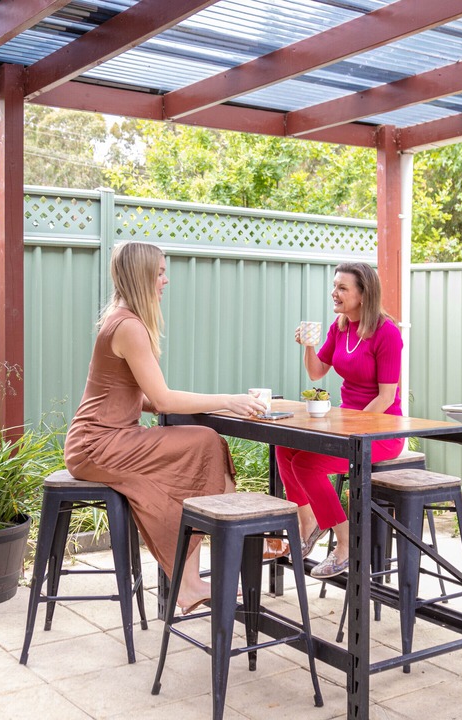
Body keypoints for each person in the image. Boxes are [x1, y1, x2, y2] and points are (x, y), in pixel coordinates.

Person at [64, 241, 266, 614]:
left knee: (201, 448)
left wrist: (175, 399)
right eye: (159, 272)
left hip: (103, 439)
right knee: (205, 443)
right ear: (142, 275)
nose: (165, 280)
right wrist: (227, 399)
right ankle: (191, 580)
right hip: (99, 443)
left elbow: (139, 397)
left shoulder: (120, 319)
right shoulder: (129, 326)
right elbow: (165, 401)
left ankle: (190, 579)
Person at [276, 262, 405, 578]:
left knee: (306, 464)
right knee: (284, 447)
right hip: (347, 424)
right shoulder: (341, 327)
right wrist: (308, 346)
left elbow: (386, 398)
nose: (334, 293)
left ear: (363, 294)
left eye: (342, 288)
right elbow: (316, 371)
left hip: (381, 432)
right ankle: (308, 523)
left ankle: (346, 545)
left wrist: (348, 430)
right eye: (335, 286)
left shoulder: (387, 334)